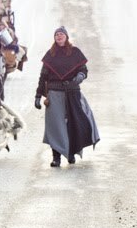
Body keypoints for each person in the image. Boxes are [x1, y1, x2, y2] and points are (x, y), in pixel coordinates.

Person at [34, 26, 100, 166]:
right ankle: (56, 158)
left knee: (76, 123)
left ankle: (71, 152)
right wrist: (38, 95)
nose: (59, 36)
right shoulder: (50, 55)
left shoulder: (75, 52)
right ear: (54, 38)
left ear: (66, 37)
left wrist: (80, 77)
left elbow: (83, 70)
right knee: (55, 126)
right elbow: (43, 77)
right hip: (54, 94)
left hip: (73, 92)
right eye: (56, 34)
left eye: (61, 34)